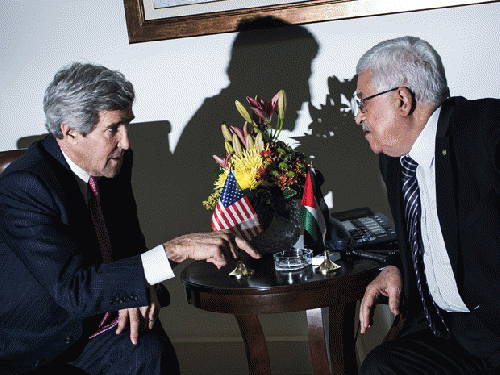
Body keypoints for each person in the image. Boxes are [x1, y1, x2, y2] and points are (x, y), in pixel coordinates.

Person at [0, 62, 260, 375]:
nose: (126, 143)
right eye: (113, 129)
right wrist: (175, 249)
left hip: (100, 320)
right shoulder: (24, 186)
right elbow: (74, 290)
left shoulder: (112, 164)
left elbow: (128, 246)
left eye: (127, 125)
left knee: (148, 350)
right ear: (69, 131)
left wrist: (141, 287)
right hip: (43, 341)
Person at [354, 36, 500, 374]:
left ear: (402, 99)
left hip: (493, 330)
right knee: (380, 367)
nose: (358, 116)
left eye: (362, 102)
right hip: (447, 331)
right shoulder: (395, 162)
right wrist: (396, 266)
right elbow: (433, 234)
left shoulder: (484, 128)